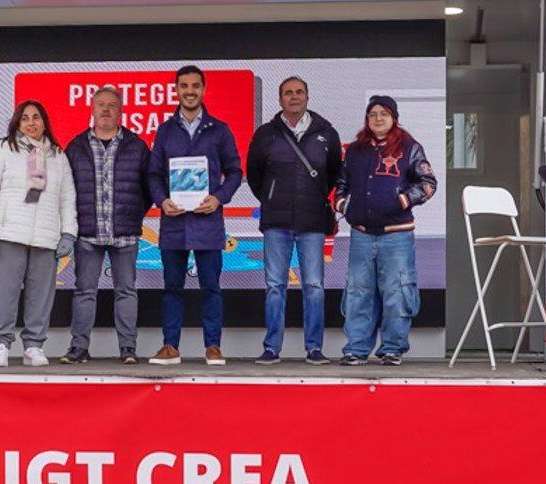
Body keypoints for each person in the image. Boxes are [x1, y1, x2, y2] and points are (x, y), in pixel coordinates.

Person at [145, 65, 244, 366]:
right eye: (184, 86)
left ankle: (213, 346)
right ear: (176, 90)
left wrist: (219, 198)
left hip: (208, 222)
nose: (189, 91)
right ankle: (170, 346)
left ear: (203, 90)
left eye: (195, 86)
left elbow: (236, 172)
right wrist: (161, 201)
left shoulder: (219, 129)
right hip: (174, 223)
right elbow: (153, 174)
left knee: (211, 288)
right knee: (172, 288)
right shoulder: (165, 130)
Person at [245, 76, 344, 365]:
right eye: (288, 93)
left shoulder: (326, 133)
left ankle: (314, 349)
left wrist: (312, 199)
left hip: (312, 222)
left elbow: (335, 171)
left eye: (299, 92)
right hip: (276, 222)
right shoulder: (266, 134)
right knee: (275, 285)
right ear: (280, 99)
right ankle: (271, 348)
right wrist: (272, 198)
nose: (294, 97)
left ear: (307, 97)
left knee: (314, 286)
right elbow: (254, 175)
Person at [334, 95, 437, 367]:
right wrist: (344, 205)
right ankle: (356, 349)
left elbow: (428, 183)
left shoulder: (410, 147)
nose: (378, 118)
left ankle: (393, 349)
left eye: (384, 113)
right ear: (367, 119)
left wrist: (402, 200)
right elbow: (340, 184)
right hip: (362, 234)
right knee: (358, 293)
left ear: (394, 118)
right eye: (372, 114)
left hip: (397, 236)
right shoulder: (355, 150)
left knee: (397, 292)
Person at [0, 100, 77, 368]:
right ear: (16, 123)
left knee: (41, 295)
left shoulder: (58, 155)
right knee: (5, 293)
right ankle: (1, 344)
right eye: (25, 118)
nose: (31, 123)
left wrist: (68, 233)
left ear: (45, 122)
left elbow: (67, 198)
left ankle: (34, 346)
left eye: (36, 117)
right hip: (10, 234)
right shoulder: (2, 150)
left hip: (46, 237)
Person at [61, 86, 152, 365]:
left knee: (126, 291)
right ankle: (79, 348)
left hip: (125, 233)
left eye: (112, 105)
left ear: (121, 110)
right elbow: (67, 190)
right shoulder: (75, 147)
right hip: (88, 233)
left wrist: (134, 215)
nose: (105, 109)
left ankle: (127, 348)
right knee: (84, 291)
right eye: (100, 104)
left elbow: (148, 189)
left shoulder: (137, 146)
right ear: (91, 108)